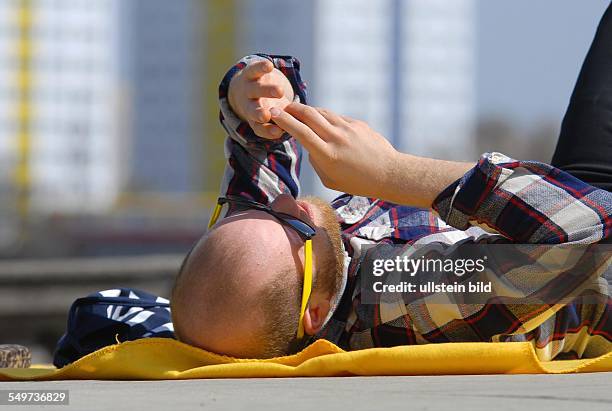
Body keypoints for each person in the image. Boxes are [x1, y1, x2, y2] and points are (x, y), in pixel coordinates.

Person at [170, 6, 612, 361]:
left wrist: (251, 95)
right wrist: (391, 172)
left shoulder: (273, 265)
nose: (286, 201)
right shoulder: (403, 296)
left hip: (564, 198)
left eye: (259, 211)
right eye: (297, 228)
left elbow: (255, 159)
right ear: (316, 313)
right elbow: (592, 232)